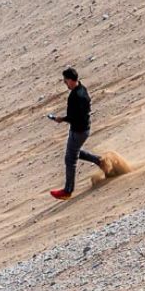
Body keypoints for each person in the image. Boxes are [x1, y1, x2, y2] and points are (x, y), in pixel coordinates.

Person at [47, 67, 102, 200]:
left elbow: (75, 117)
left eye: (65, 81)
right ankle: (100, 161)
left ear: (71, 80)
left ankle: (68, 190)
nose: (65, 83)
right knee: (75, 151)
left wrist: (61, 119)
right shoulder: (82, 89)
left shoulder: (75, 96)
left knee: (70, 159)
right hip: (84, 129)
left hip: (78, 131)